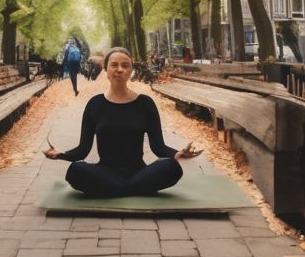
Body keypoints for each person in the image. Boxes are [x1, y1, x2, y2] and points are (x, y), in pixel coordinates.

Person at [44, 46, 202, 197]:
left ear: (130, 71)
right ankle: (132, 189)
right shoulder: (95, 104)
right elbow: (83, 150)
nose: (119, 69)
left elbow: (158, 147)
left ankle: (116, 190)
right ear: (106, 70)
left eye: (125, 65)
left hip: (140, 173)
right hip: (104, 173)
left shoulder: (145, 104)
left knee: (171, 166)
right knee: (76, 169)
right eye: (114, 65)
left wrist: (178, 154)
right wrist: (62, 155)